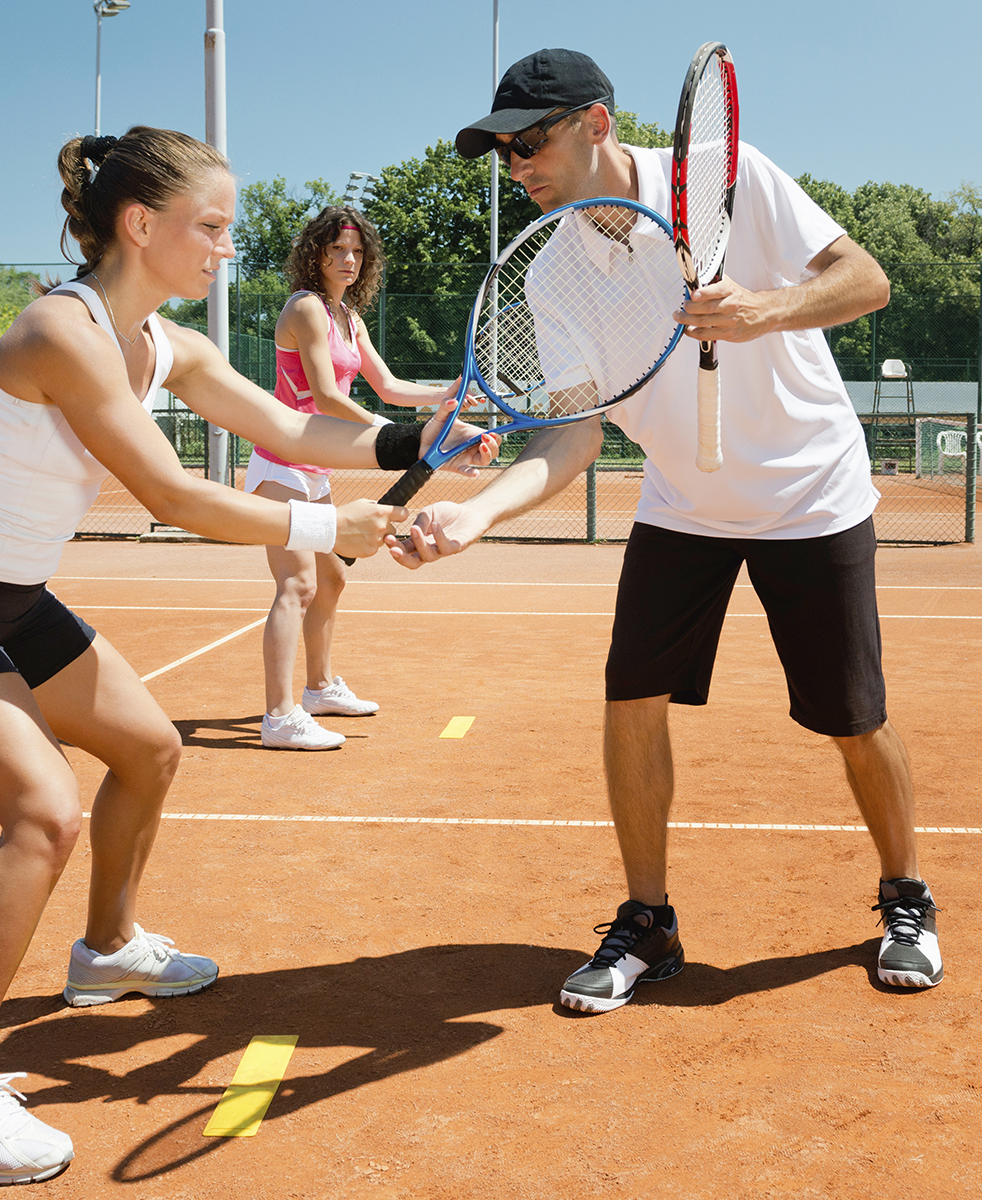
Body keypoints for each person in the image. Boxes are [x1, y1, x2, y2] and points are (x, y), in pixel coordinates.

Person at [0, 127, 493, 1185]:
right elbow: (169, 494)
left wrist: (411, 446)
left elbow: (289, 429)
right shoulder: (62, 332)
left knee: (150, 750)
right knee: (43, 812)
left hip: (15, 600)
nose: (226, 250)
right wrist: (323, 531)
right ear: (139, 225)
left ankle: (106, 956)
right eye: (211, 228)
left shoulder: (167, 344)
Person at [390, 49, 942, 1013]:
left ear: (596, 124)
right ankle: (648, 920)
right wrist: (474, 513)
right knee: (630, 695)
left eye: (531, 140)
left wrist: (767, 309)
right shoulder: (552, 273)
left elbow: (866, 280)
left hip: (810, 492)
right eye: (503, 150)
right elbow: (573, 433)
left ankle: (906, 895)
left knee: (854, 717)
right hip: (683, 501)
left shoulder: (731, 181)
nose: (516, 163)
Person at [249, 206, 470, 750]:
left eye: (356, 252)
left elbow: (390, 385)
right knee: (297, 585)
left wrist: (447, 394)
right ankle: (278, 717)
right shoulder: (305, 308)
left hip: (316, 467)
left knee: (332, 579)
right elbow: (326, 396)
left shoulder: (351, 319)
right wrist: (404, 435)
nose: (348, 260)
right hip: (280, 463)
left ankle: (319, 688)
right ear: (315, 254)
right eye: (336, 250)